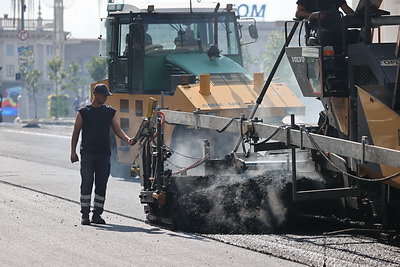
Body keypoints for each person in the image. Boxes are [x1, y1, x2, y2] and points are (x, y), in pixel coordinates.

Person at [70, 84, 137, 225]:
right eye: (104, 95)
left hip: (104, 155)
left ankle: (97, 215)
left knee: (101, 185)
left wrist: (127, 139)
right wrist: (73, 152)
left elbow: (118, 130)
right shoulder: (83, 112)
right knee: (87, 184)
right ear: (96, 94)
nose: (106, 98)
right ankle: (85, 215)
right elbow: (76, 132)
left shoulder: (109, 112)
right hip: (87, 154)